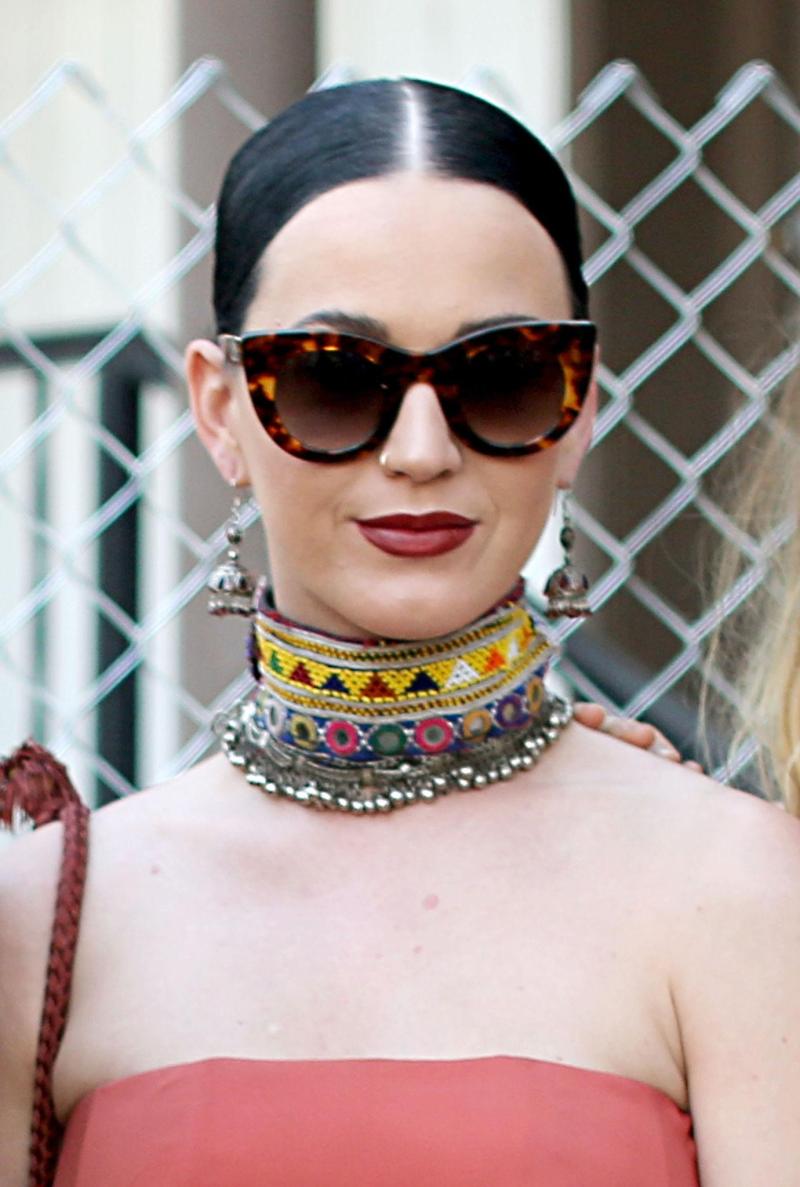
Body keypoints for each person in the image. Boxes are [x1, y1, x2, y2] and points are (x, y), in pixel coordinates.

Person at [2, 78, 799, 1187]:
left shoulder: (734, 884)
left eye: (503, 374)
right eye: (331, 380)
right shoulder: (47, 920)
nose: (421, 452)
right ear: (222, 411)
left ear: (578, 409)